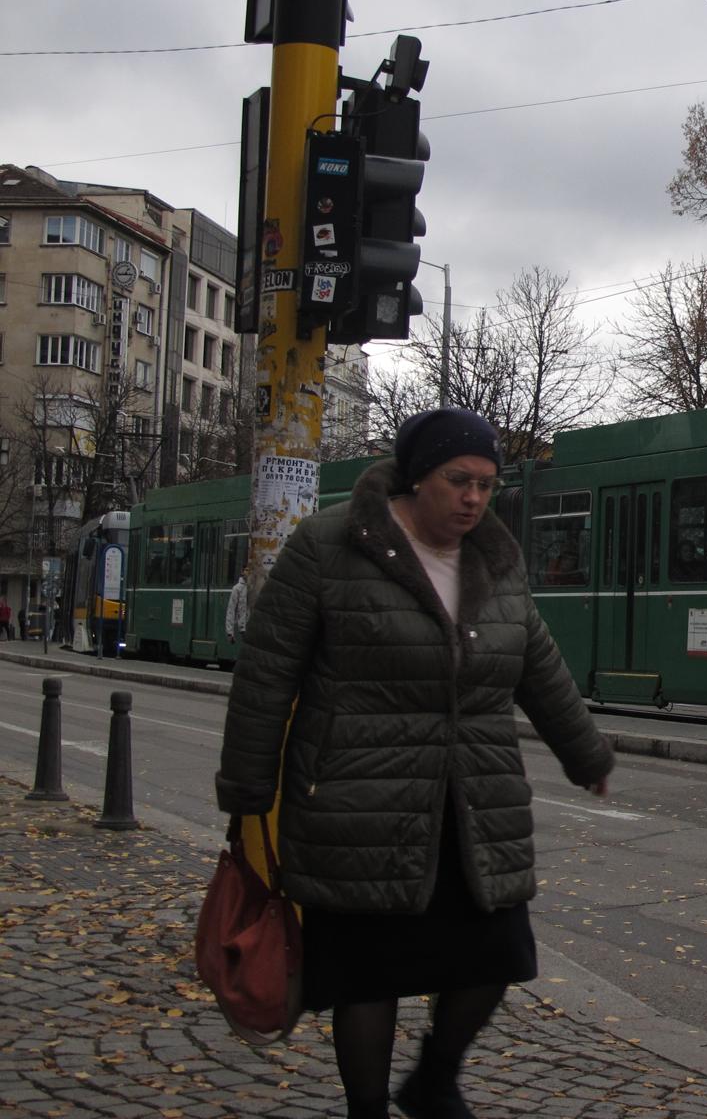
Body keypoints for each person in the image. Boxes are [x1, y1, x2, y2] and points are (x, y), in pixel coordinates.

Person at [215, 407, 615, 1119]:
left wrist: (585, 752)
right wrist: (248, 787)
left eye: (487, 485)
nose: (473, 499)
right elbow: (267, 672)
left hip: (471, 804)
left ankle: (433, 1078)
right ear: (415, 476)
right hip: (358, 802)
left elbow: (538, 664)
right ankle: (367, 1109)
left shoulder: (494, 557)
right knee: (371, 979)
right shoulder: (330, 544)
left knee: (498, 955)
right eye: (459, 480)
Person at [223, 573, 249, 643]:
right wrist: (230, 632)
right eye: (246, 570)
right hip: (243, 629)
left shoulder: (256, 587)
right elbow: (231, 610)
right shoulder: (237, 588)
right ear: (242, 572)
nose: (248, 573)